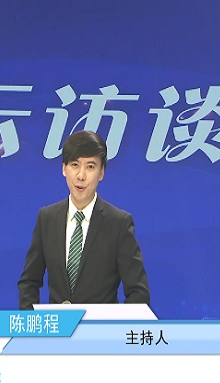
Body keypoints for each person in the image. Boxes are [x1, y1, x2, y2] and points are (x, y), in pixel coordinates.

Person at [18, 130, 149, 309]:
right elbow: (29, 282)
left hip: (100, 326)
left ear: (101, 173)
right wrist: (32, 323)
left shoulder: (119, 223)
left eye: (90, 167)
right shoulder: (47, 219)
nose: (81, 175)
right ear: (64, 169)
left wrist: (115, 325)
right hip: (57, 326)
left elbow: (138, 292)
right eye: (74, 165)